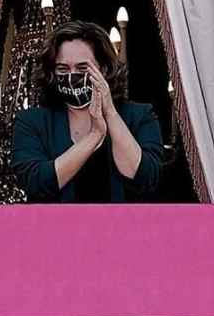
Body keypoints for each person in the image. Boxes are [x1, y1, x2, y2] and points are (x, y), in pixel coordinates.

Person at [12, 21, 162, 203]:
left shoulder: (140, 116)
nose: (72, 76)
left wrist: (110, 113)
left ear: (104, 70)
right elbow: (36, 183)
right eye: (63, 69)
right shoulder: (31, 121)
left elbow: (145, 178)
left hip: (123, 229)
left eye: (83, 68)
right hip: (56, 229)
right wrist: (95, 135)